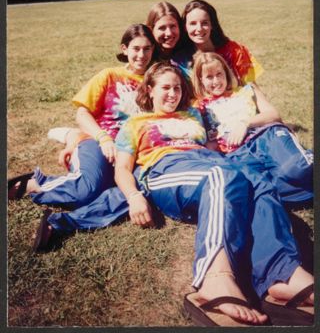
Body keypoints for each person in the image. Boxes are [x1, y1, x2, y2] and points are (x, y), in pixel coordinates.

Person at [114, 62, 314, 326]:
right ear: (150, 90)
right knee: (222, 176)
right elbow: (122, 169)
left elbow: (214, 147)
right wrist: (134, 197)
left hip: (206, 162)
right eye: (165, 88)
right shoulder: (135, 124)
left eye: (176, 88)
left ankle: (282, 275)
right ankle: (214, 279)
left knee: (257, 181)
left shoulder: (192, 116)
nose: (172, 93)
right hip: (166, 169)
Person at [8, 23, 156, 210]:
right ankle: (34, 184)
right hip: (101, 143)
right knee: (86, 190)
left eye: (147, 49)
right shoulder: (109, 76)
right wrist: (103, 139)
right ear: (124, 49)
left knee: (128, 189)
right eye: (136, 48)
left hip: (132, 152)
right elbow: (82, 113)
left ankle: (69, 137)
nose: (141, 55)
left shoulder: (157, 80)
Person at [191, 51, 313, 204]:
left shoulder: (246, 91)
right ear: (201, 80)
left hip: (265, 137)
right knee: (265, 190)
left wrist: (245, 123)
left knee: (296, 169)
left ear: (226, 73)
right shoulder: (199, 108)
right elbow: (206, 143)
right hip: (237, 153)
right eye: (209, 77)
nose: (216, 80)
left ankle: (301, 164)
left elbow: (273, 114)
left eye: (219, 74)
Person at [175, 0, 263, 85]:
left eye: (204, 23)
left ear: (212, 24)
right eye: (193, 23)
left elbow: (252, 86)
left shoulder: (235, 51)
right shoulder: (180, 62)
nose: (199, 29)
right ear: (185, 27)